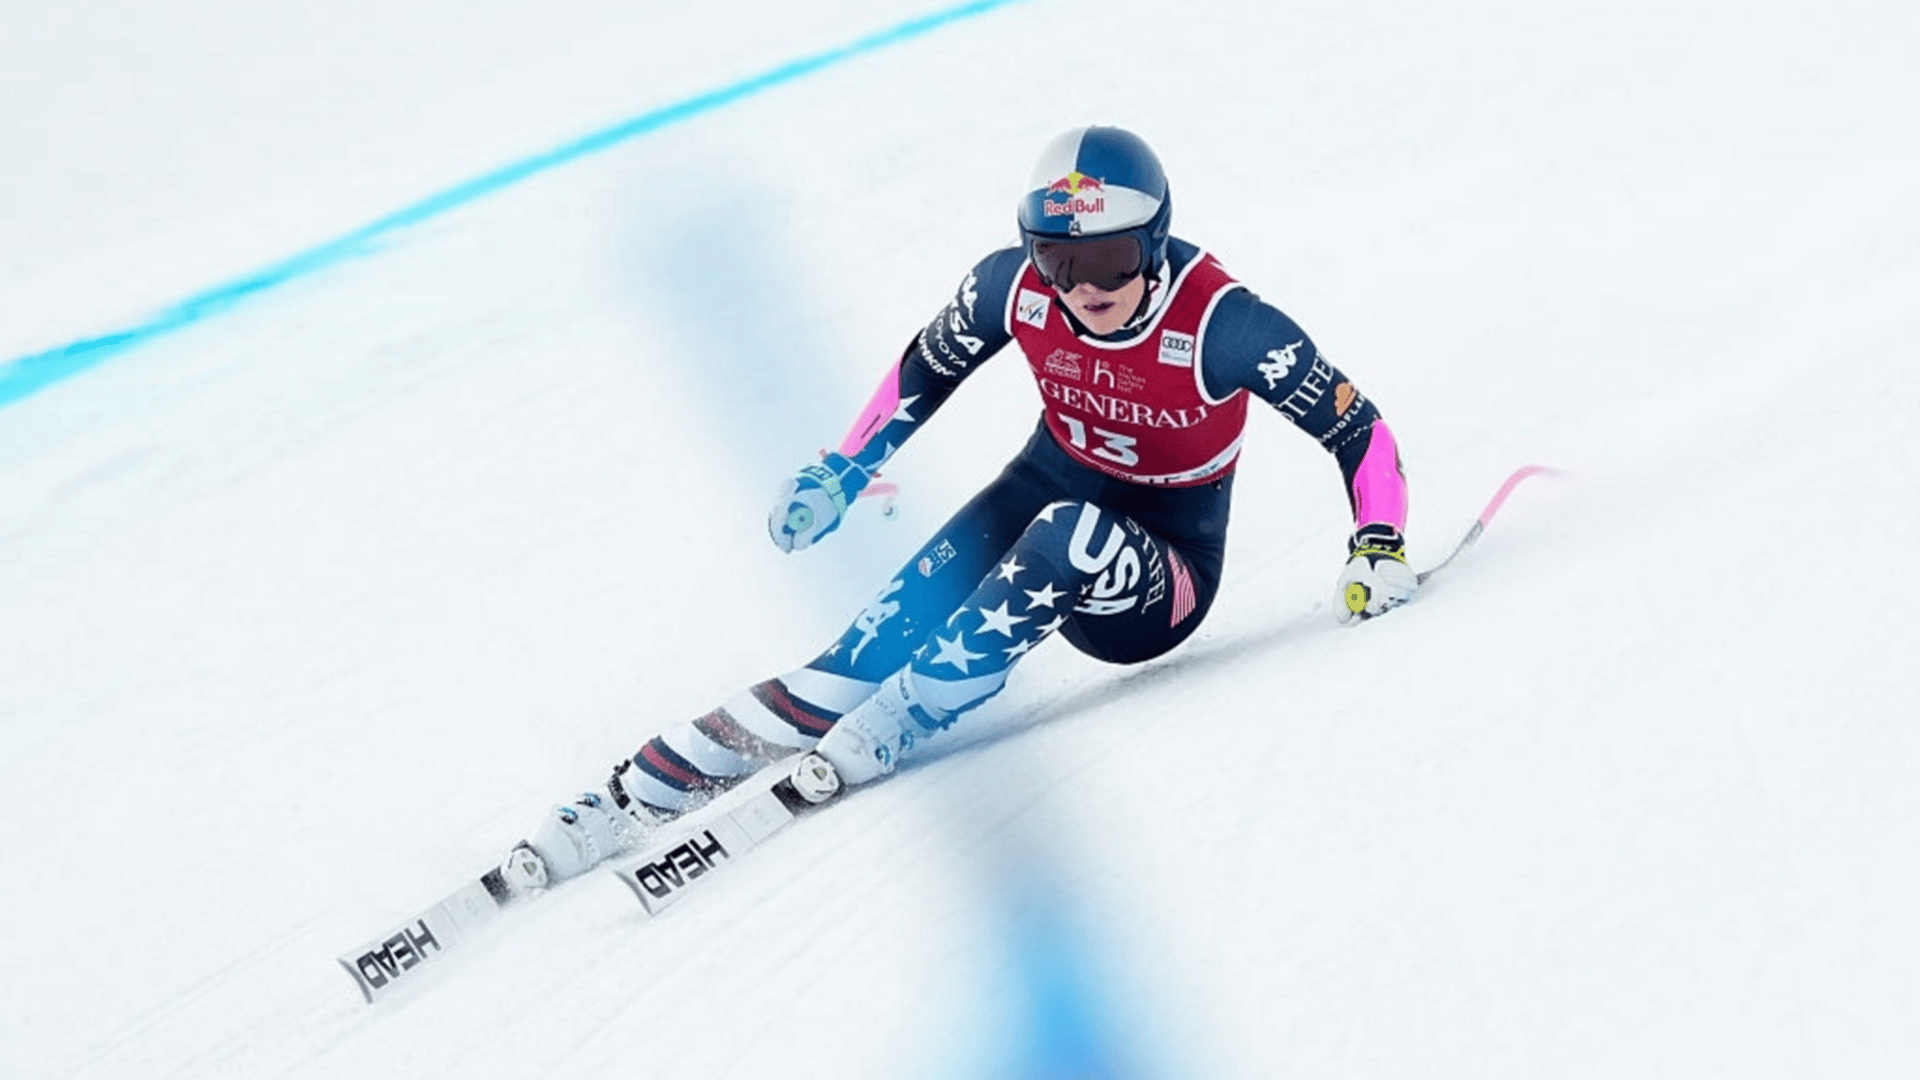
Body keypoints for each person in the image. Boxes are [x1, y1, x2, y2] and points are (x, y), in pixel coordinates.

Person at [499, 125, 1418, 891]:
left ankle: (906, 715)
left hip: (1159, 577)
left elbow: (1358, 428)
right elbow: (923, 372)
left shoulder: (1225, 323)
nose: (1085, 288)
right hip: (1040, 494)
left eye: (1110, 258)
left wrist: (1378, 542)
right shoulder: (1010, 290)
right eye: (1059, 259)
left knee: (1069, 536)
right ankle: (627, 799)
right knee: (851, 660)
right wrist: (841, 473)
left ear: (1156, 242)